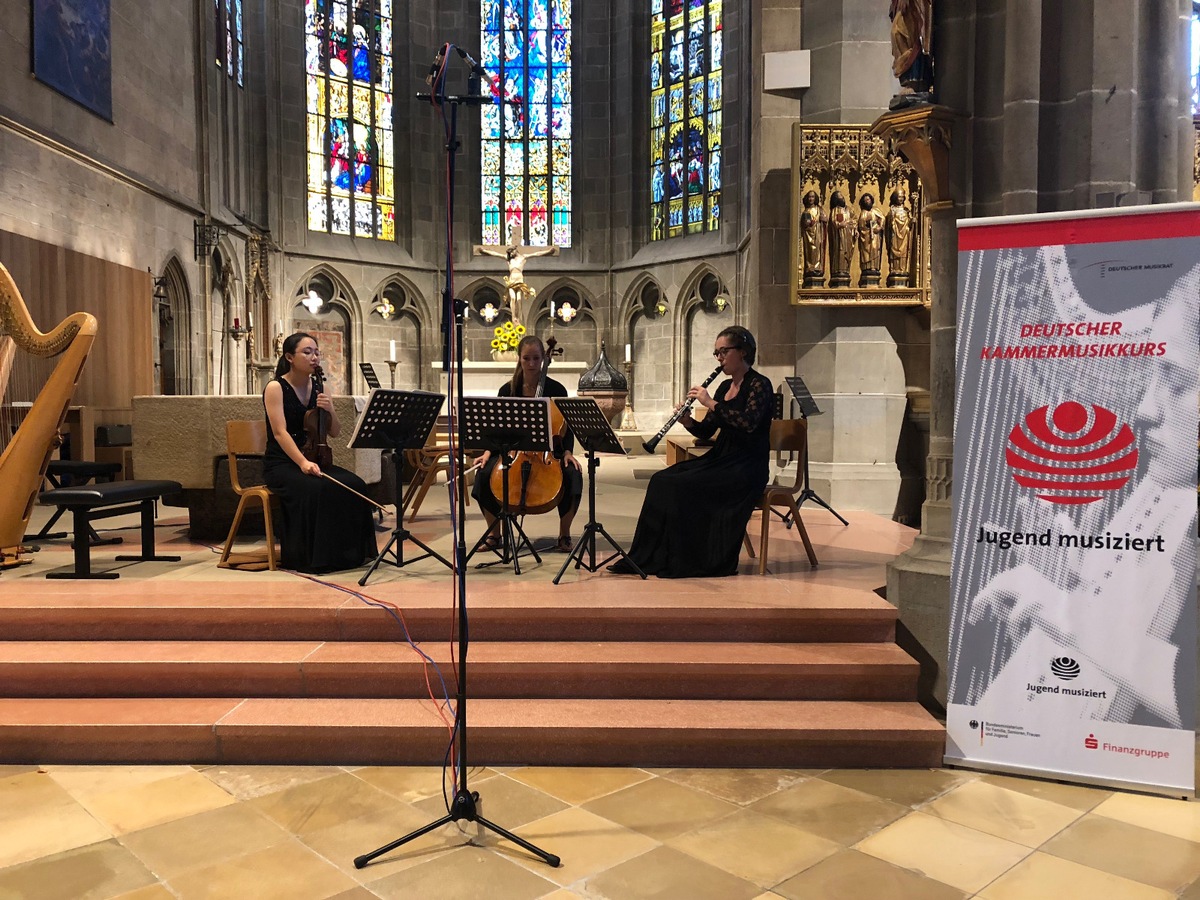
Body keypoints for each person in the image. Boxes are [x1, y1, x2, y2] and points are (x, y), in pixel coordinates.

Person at [610, 326, 773, 578]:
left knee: (681, 486)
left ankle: (687, 559)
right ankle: (649, 556)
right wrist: (687, 421)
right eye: (716, 353)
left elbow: (748, 423)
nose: (719, 358)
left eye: (723, 352)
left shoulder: (760, 385)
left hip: (746, 466)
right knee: (661, 480)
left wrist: (709, 402)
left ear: (742, 352)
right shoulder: (724, 388)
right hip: (721, 458)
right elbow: (707, 431)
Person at [262, 332, 378, 573]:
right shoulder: (276, 387)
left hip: (314, 459)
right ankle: (314, 558)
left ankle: (349, 555)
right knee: (318, 489)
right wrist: (303, 463)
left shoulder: (320, 386)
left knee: (355, 484)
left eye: (316, 352)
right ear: (289, 357)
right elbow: (280, 433)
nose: (314, 357)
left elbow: (334, 431)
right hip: (282, 463)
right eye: (307, 352)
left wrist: (331, 409)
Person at [471, 334, 583, 552]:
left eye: (536, 358)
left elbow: (565, 427)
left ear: (543, 359)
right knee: (483, 474)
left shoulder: (557, 390)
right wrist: (487, 452)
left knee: (573, 475)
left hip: (549, 453)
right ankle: (495, 535)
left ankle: (564, 535)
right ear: (519, 359)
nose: (532, 364)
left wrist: (568, 451)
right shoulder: (508, 391)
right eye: (526, 359)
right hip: (513, 452)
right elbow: (497, 428)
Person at [474, 228, 559, 327]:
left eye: (512, 252)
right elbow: (496, 254)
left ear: (515, 250)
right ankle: (514, 317)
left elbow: (536, 254)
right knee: (513, 298)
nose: (511, 254)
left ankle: (518, 318)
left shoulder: (523, 258)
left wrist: (549, 251)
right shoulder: (509, 259)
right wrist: (484, 251)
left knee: (518, 299)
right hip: (511, 281)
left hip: (519, 281)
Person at [800, 190, 827, 288]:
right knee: (811, 252)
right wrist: (810, 223)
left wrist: (824, 220)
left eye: (813, 197)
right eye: (809, 197)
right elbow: (805, 224)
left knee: (819, 251)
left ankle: (818, 269)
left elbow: (825, 219)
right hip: (809, 236)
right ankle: (810, 268)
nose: (811, 199)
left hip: (819, 234)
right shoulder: (806, 211)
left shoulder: (819, 209)